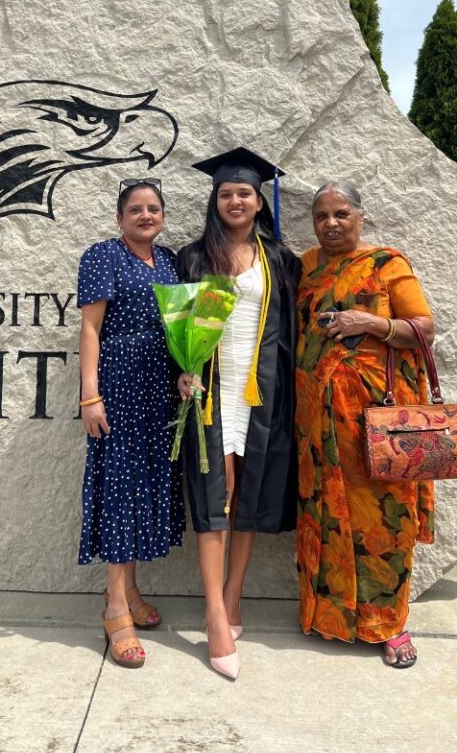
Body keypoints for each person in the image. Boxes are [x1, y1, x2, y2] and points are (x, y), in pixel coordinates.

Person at [295, 180, 435, 668]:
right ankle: (327, 617)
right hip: (316, 423)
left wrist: (369, 322)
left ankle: (389, 626)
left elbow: (423, 329)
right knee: (323, 517)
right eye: (322, 216)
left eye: (341, 214)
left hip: (377, 422)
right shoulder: (309, 266)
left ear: (360, 216)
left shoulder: (387, 265)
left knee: (384, 522)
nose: (331, 223)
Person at [176, 148, 300, 679]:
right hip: (211, 390)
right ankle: (213, 612)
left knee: (249, 493)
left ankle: (233, 594)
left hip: (263, 392)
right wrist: (182, 369)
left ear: (257, 201)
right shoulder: (194, 258)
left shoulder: (280, 259)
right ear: (216, 199)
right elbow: (180, 327)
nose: (235, 200)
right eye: (226, 193)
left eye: (244, 193)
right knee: (214, 497)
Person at [77, 178, 184, 668]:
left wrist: (185, 370)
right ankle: (116, 609)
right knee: (120, 491)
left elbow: (181, 328)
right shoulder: (103, 256)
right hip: (117, 387)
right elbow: (90, 328)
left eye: (154, 208)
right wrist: (90, 395)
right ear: (120, 218)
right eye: (136, 209)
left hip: (158, 388)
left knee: (141, 488)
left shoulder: (169, 263)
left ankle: (131, 591)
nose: (146, 215)